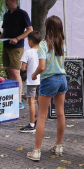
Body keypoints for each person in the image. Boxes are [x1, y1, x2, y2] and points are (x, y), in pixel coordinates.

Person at [27, 16, 67, 161]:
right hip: (62, 79)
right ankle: (58, 145)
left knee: (42, 116)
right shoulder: (62, 44)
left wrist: (34, 74)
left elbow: (42, 66)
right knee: (60, 114)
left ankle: (36, 151)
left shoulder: (44, 44)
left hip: (49, 79)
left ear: (47, 27)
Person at [0, 0, 33, 110]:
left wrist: (17, 39)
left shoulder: (22, 14)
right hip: (6, 46)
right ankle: (12, 96)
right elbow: (5, 30)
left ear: (13, 1)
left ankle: (19, 100)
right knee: (9, 71)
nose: (5, 3)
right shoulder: (6, 15)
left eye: (6, 1)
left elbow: (29, 30)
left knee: (16, 72)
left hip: (17, 48)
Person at [20, 31, 42, 133]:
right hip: (41, 79)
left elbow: (23, 68)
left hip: (31, 81)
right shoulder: (42, 51)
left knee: (31, 102)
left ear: (31, 41)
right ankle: (41, 122)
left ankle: (32, 124)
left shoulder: (27, 52)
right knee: (40, 101)